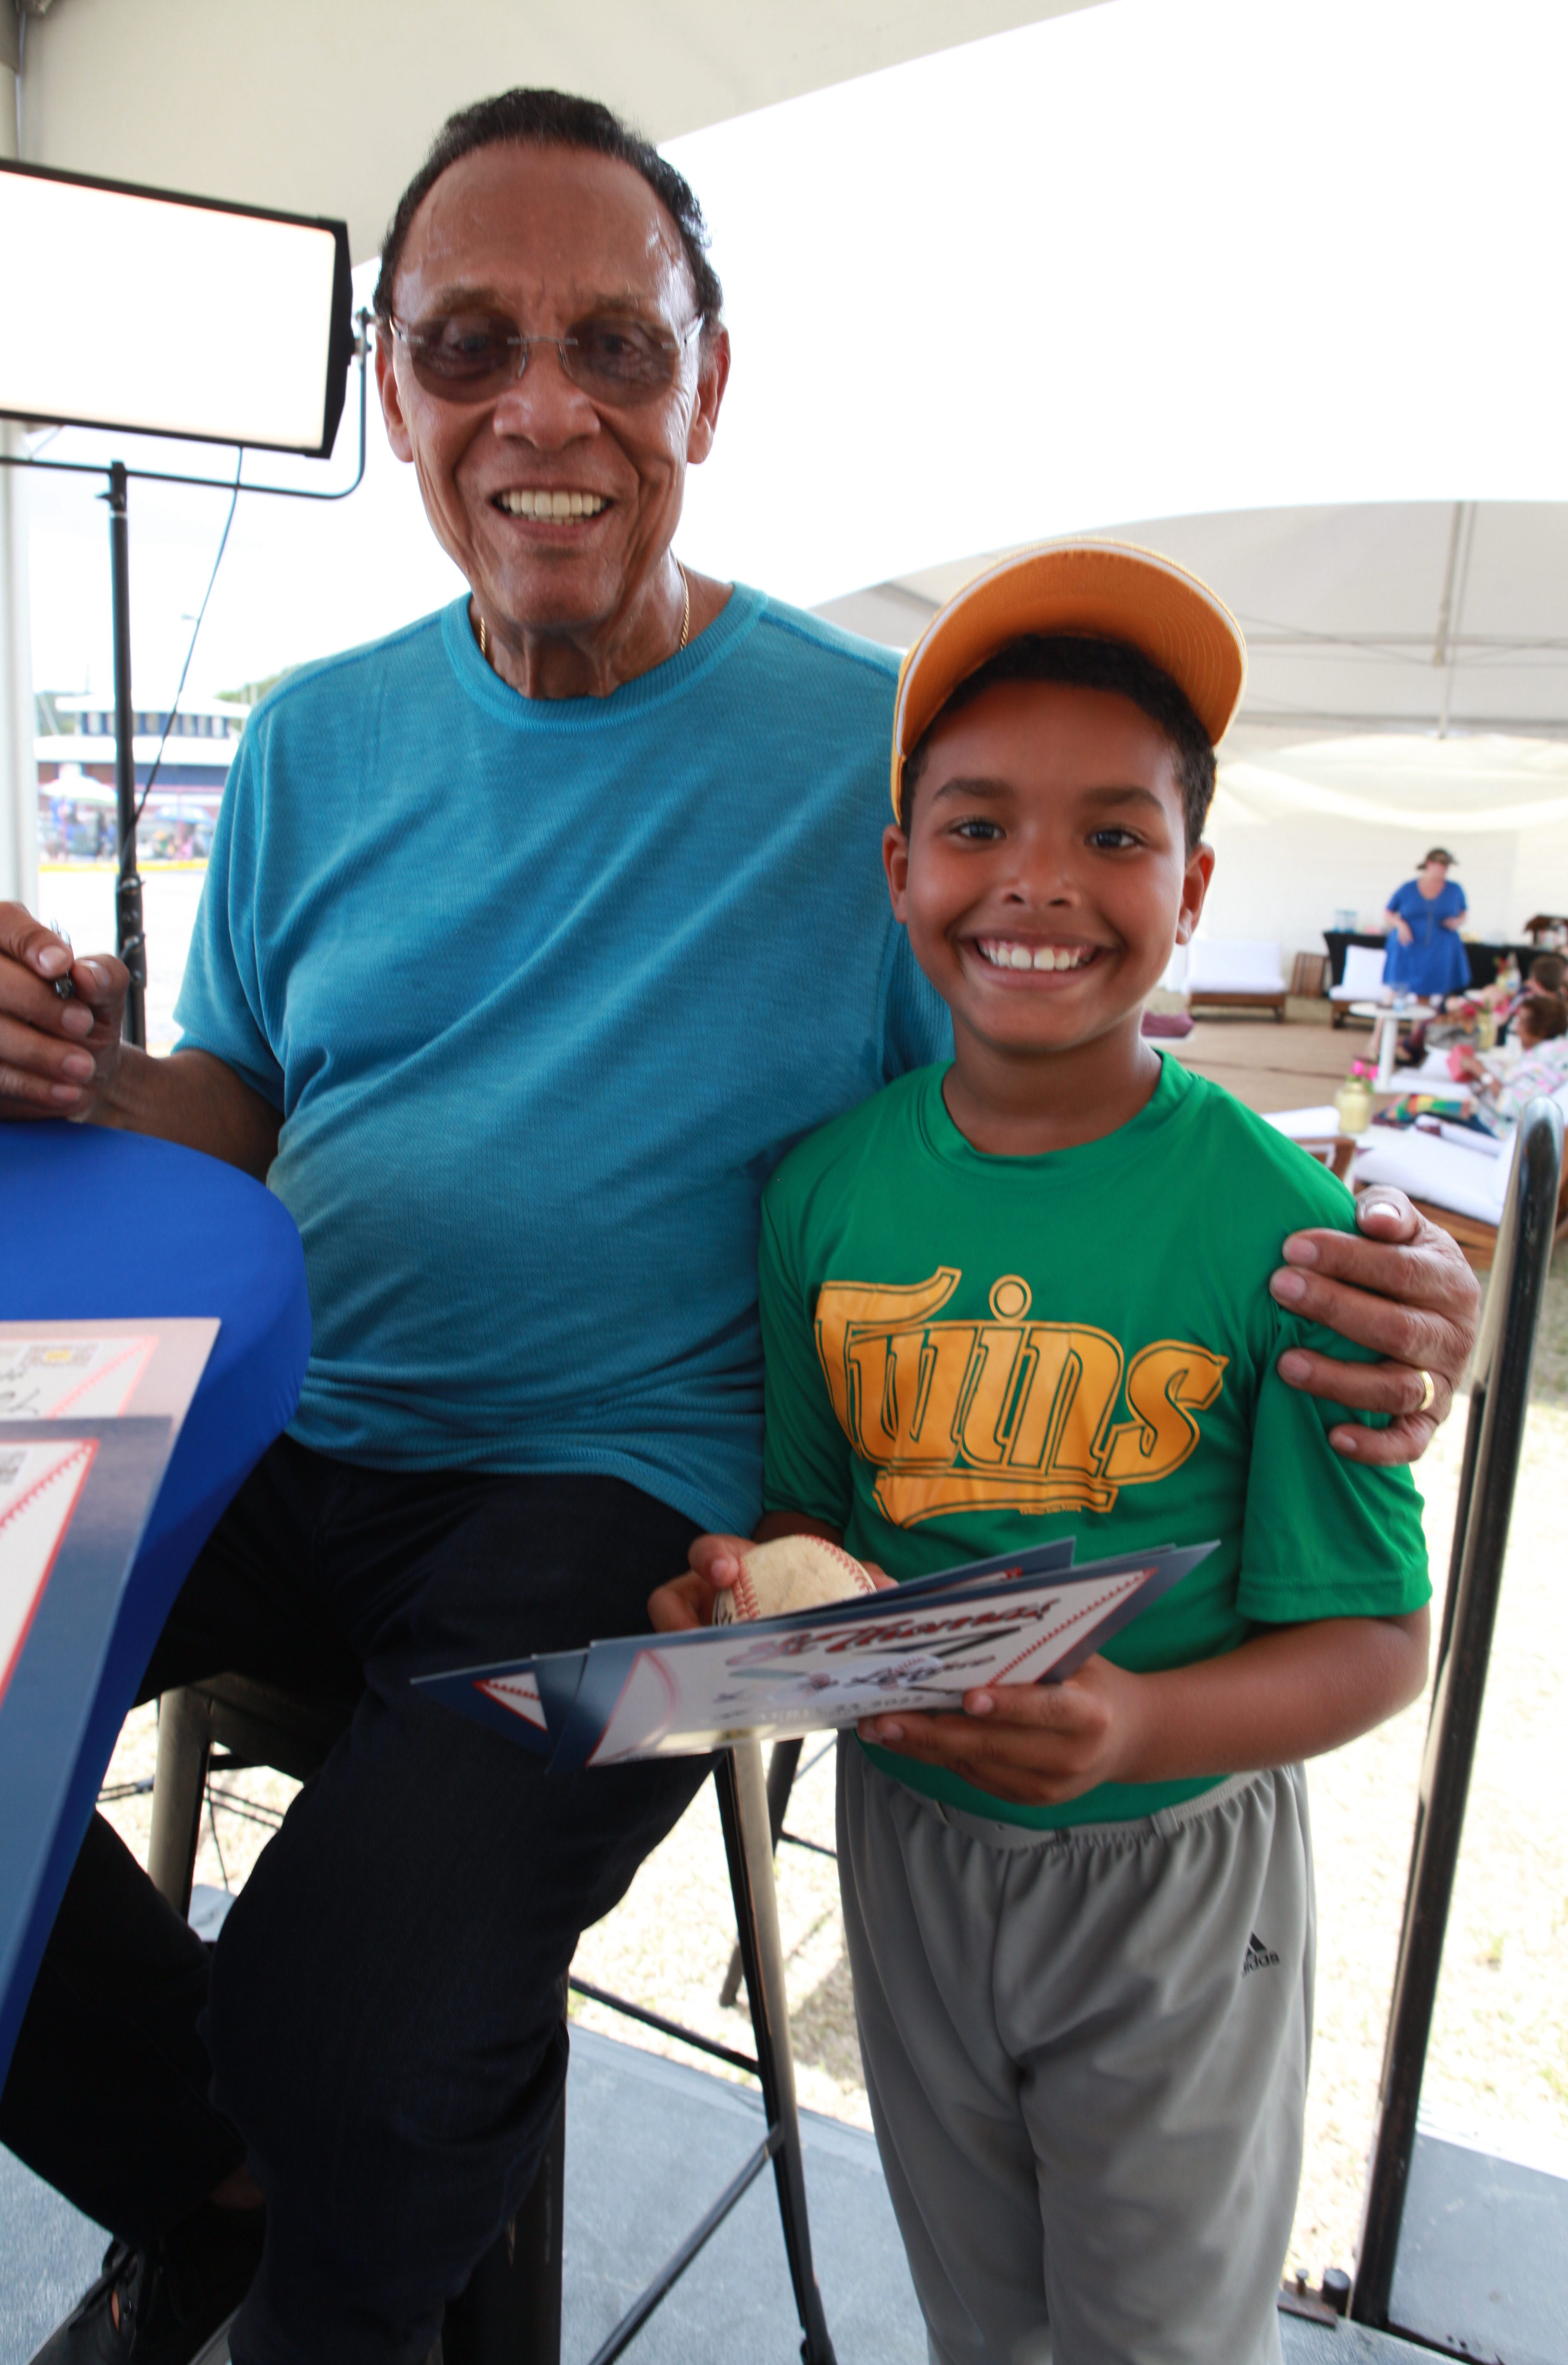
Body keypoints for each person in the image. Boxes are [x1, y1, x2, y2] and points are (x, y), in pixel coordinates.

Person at [0, 93, 1478, 2365]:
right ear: (392, 386)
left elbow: (1071, 1099)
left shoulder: (879, 765)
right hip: (285, 1429)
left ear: (711, 381)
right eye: (469, 345)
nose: (543, 408)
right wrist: (69, 1067)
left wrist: (1363, 1273)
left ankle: (329, 2219)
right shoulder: (308, 747)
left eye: (615, 343)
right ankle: (220, 2195)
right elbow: (247, 1105)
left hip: (617, 1496)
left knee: (364, 2020)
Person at [653, 544, 1433, 2365]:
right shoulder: (823, 1196)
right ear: (899, 871)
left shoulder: (1287, 1228)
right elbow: (809, 1513)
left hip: (1172, 1864)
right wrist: (755, 1599)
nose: (1040, 886)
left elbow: (1384, 1644)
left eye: (1114, 836)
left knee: (1156, 2336)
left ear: (1196, 883)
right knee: (977, 2312)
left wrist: (1140, 1729)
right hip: (908, 1845)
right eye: (980, 825)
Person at [1455, 988, 1568, 1118]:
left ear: (1539, 1031)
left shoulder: (1546, 1060)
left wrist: (1481, 1072)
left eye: (1521, 1022)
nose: (1516, 1028)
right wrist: (1480, 1075)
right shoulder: (1547, 1053)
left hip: (1492, 1126)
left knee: (1428, 1113)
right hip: (1482, 1112)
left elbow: (1515, 1106)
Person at [1381, 847, 1470, 999]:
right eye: (1441, 865)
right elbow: (1388, 912)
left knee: (1426, 992)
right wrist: (1401, 925)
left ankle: (1420, 1024)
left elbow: (1463, 914)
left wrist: (1457, 922)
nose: (1444, 869)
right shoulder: (1407, 888)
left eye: (1447, 866)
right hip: (1409, 946)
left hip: (1439, 949)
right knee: (1396, 988)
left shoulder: (1455, 889)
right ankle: (1382, 1023)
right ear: (1430, 863)